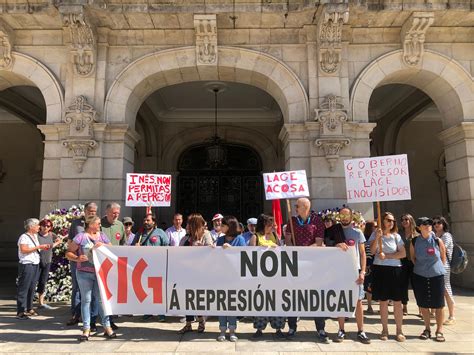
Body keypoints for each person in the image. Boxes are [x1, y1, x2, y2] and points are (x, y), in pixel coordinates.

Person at [66, 215, 117, 341]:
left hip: (100, 273)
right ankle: (86, 328)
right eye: (98, 223)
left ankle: (107, 327)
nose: (100, 225)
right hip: (84, 273)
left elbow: (112, 250)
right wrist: (77, 258)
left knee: (101, 300)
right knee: (86, 300)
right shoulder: (80, 237)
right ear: (91, 224)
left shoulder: (102, 236)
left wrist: (104, 246)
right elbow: (68, 253)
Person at [284, 197, 328, 343]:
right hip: (295, 264)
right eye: (295, 206)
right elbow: (288, 240)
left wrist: (303, 251)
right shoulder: (292, 221)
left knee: (316, 296)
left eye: (297, 205)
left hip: (313, 264)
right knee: (293, 295)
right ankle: (291, 327)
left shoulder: (317, 221)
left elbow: (319, 243)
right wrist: (293, 250)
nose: (295, 207)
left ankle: (321, 328)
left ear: (305, 207)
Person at [334, 207, 371, 344]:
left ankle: (361, 331)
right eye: (342, 215)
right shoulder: (334, 231)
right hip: (339, 271)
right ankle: (341, 330)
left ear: (351, 216)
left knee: (358, 301)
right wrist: (335, 244)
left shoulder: (357, 233)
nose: (344, 217)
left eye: (346, 215)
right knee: (341, 300)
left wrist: (362, 272)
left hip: (354, 271)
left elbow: (362, 253)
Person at [369, 212, 406, 342]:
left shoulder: (396, 236)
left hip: (395, 269)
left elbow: (403, 253)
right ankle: (384, 329)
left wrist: (388, 256)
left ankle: (399, 330)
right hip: (380, 269)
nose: (391, 222)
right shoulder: (376, 234)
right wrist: (377, 237)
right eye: (388, 220)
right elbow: (372, 251)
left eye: (393, 220)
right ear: (382, 221)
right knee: (383, 301)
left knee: (397, 301)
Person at [410, 217, 447, 342]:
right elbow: (413, 258)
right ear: (419, 227)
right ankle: (427, 329)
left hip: (436, 275)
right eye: (424, 224)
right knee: (423, 304)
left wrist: (435, 269)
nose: (428, 226)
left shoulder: (437, 241)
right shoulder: (414, 241)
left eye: (429, 224)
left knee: (439, 304)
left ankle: (439, 330)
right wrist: (422, 268)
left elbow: (443, 257)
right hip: (420, 275)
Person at [252, 213, 286, 339]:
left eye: (272, 224)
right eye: (269, 224)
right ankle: (259, 329)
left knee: (276, 301)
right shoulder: (255, 237)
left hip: (275, 275)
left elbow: (281, 251)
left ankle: (278, 328)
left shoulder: (275, 236)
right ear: (263, 225)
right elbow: (249, 254)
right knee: (261, 302)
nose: (272, 227)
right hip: (260, 276)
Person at [178, 213, 213, 334]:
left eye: (189, 223)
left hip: (201, 273)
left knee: (198, 298)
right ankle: (188, 323)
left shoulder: (206, 234)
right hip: (187, 273)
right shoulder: (186, 237)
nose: (187, 225)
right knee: (187, 298)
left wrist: (200, 248)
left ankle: (201, 321)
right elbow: (179, 250)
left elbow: (210, 249)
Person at [215, 216, 248, 342]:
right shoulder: (220, 239)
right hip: (222, 276)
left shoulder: (239, 239)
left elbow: (245, 255)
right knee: (222, 303)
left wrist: (232, 249)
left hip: (234, 277)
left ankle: (232, 330)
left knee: (232, 304)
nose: (221, 227)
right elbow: (216, 256)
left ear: (230, 226)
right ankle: (222, 330)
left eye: (223, 225)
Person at [132, 214, 169, 321]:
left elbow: (167, 246)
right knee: (146, 289)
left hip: (157, 265)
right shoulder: (139, 233)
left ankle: (161, 312)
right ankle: (148, 311)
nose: (146, 222)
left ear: (154, 222)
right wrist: (135, 247)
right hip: (143, 266)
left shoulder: (160, 233)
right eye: (144, 220)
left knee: (158, 290)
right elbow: (131, 248)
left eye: (148, 220)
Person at [67, 201, 98, 326]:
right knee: (77, 288)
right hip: (78, 261)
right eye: (90, 211)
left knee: (92, 293)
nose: (92, 213)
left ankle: (92, 317)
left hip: (92, 264)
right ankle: (75, 314)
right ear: (84, 211)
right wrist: (75, 256)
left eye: (94, 212)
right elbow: (70, 241)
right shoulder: (76, 223)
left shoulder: (96, 223)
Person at [16, 218, 50, 319]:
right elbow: (24, 249)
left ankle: (29, 308)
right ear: (31, 227)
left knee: (32, 287)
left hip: (35, 264)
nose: (39, 227)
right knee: (24, 287)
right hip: (27, 264)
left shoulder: (34, 236)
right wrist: (38, 247)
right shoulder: (24, 237)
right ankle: (20, 311)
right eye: (37, 225)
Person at [432, 215, 456, 325]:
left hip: (444, 265)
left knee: (446, 289)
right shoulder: (434, 235)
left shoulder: (446, 235)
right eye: (435, 223)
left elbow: (441, 248)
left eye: (439, 223)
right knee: (438, 289)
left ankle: (452, 315)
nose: (436, 225)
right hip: (435, 264)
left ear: (443, 224)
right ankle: (437, 312)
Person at [37, 218, 62, 309]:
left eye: (48, 226)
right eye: (44, 225)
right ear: (40, 226)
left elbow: (59, 240)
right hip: (37, 261)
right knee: (33, 281)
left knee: (43, 282)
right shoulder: (36, 235)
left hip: (47, 261)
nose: (46, 227)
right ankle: (28, 304)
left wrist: (52, 246)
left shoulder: (51, 235)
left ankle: (41, 302)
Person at [399, 213, 419, 315]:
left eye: (406, 219)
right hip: (402, 261)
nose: (404, 221)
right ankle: (404, 306)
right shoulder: (399, 234)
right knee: (403, 284)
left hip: (414, 262)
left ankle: (421, 307)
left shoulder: (417, 234)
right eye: (402, 220)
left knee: (416, 285)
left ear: (411, 220)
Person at [363, 221, 376, 314]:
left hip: (377, 263)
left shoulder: (377, 237)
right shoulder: (365, 238)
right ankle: (369, 306)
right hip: (369, 263)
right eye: (374, 226)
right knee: (369, 285)